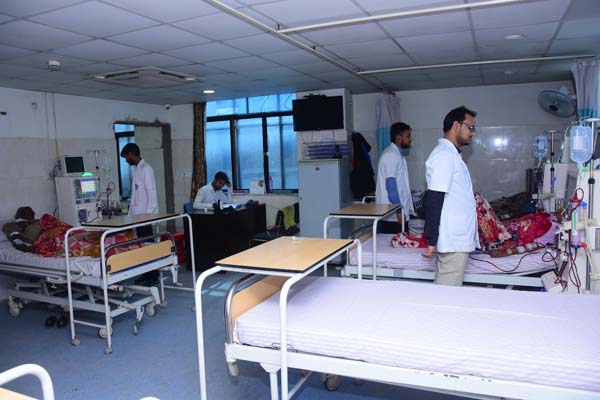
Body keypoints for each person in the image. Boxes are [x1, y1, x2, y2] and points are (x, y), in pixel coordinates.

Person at [422, 106, 479, 286]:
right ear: (456, 125)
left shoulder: (451, 155)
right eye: (470, 127)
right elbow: (434, 198)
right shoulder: (444, 156)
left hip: (456, 239)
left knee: (446, 292)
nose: (472, 133)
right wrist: (431, 238)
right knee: (448, 295)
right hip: (453, 239)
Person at [375, 122, 415, 233]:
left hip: (397, 213)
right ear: (398, 138)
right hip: (393, 216)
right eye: (408, 136)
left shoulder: (397, 155)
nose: (410, 139)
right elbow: (391, 187)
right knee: (393, 242)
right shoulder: (391, 155)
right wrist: (399, 211)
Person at [120, 143, 159, 216]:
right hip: (137, 216)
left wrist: (148, 215)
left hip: (146, 216)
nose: (126, 161)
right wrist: (130, 215)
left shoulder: (146, 169)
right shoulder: (136, 170)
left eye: (126, 157)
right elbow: (134, 197)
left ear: (131, 154)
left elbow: (151, 194)